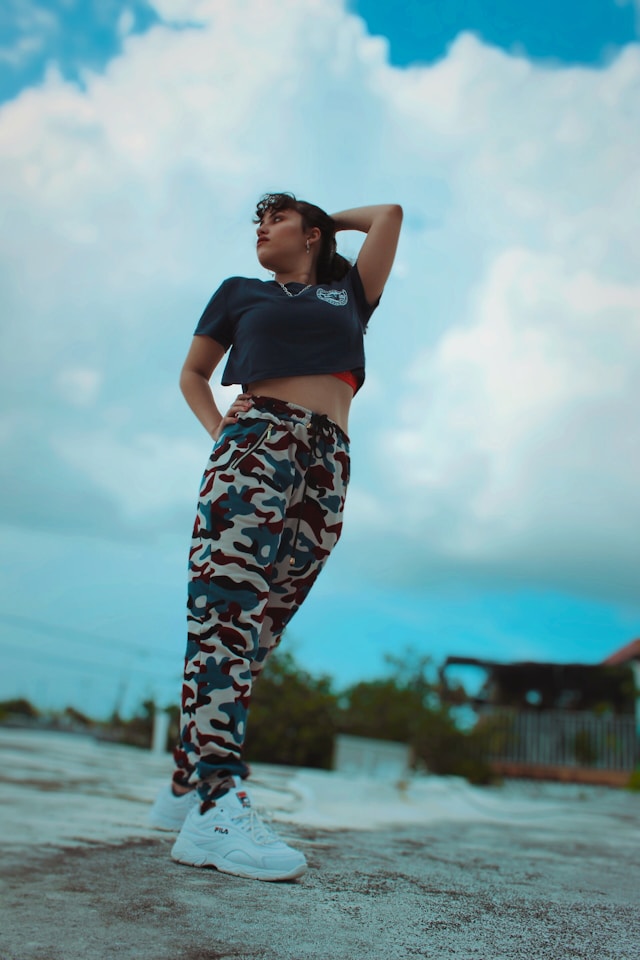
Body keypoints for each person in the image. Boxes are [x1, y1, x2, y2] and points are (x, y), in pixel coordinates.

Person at [149, 192, 403, 881]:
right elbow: (193, 374)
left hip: (328, 462)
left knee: (260, 627)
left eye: (277, 217)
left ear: (312, 233)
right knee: (226, 614)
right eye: (258, 220)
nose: (261, 228)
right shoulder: (239, 293)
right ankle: (213, 802)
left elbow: (390, 216)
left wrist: (321, 220)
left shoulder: (349, 293)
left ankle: (185, 778)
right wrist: (222, 435)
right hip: (257, 444)